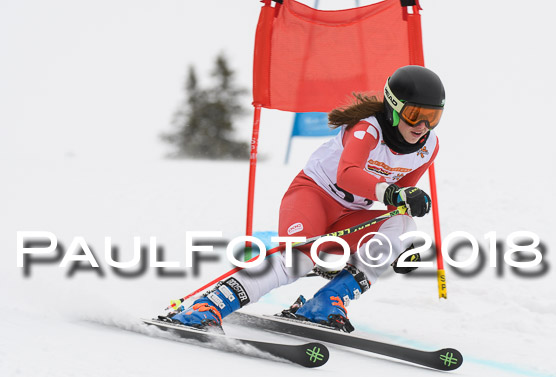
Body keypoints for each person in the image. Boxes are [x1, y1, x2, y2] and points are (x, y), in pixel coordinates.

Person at [164, 65, 445, 333]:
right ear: (394, 108)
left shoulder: (428, 147)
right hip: (313, 195)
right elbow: (348, 174)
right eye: (414, 114)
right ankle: (207, 305)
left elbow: (398, 203)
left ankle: (323, 304)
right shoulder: (367, 129)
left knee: (405, 226)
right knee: (298, 260)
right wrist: (394, 193)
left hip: (350, 214)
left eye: (432, 118)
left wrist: (402, 248)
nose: (422, 126)